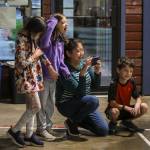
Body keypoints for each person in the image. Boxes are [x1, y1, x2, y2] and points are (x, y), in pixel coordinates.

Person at [7, 16, 56, 147]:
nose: (40, 35)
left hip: (33, 77)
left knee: (31, 107)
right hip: (25, 78)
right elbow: (21, 63)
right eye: (39, 32)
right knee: (36, 107)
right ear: (33, 30)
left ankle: (29, 135)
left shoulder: (31, 38)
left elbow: (41, 53)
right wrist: (34, 56)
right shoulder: (21, 40)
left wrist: (49, 66)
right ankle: (14, 130)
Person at [55, 39, 108, 137]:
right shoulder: (64, 70)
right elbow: (80, 93)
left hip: (84, 104)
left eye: (82, 50)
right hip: (67, 105)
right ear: (69, 53)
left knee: (103, 130)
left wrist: (97, 72)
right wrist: (83, 72)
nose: (81, 53)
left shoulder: (84, 64)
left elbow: (95, 86)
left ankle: (75, 120)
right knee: (94, 101)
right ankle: (72, 122)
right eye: (78, 51)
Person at [36, 13, 70, 141]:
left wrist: (64, 70)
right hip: (44, 76)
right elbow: (44, 45)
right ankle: (41, 129)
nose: (66, 25)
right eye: (63, 22)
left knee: (50, 104)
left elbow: (60, 60)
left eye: (66, 22)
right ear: (54, 24)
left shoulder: (60, 40)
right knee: (42, 104)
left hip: (53, 78)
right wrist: (52, 22)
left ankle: (48, 127)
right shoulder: (47, 38)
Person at [105, 57, 148, 135]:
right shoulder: (114, 84)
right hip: (115, 110)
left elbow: (138, 97)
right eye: (125, 70)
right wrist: (126, 107)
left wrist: (137, 105)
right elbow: (112, 103)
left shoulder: (131, 82)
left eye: (131, 71)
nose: (128, 73)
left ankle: (126, 121)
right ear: (118, 70)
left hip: (126, 110)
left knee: (144, 106)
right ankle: (113, 123)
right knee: (114, 111)